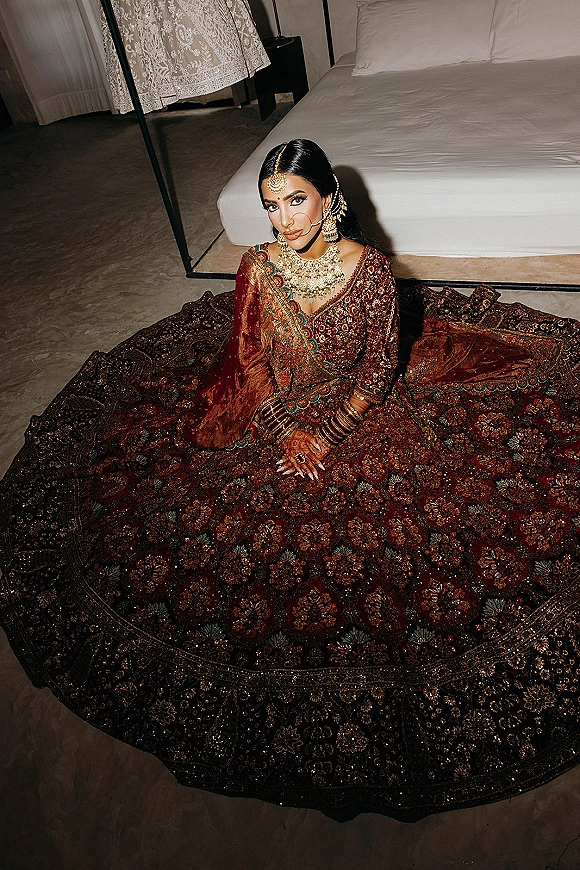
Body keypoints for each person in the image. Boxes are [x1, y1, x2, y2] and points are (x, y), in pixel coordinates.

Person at [1, 139, 580, 822]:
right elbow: (249, 363)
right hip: (277, 413)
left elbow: (377, 371)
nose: (284, 220)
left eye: (296, 200)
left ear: (330, 198)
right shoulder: (256, 268)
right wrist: (287, 433)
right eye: (272, 206)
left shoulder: (371, 273)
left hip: (359, 411)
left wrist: (329, 434)